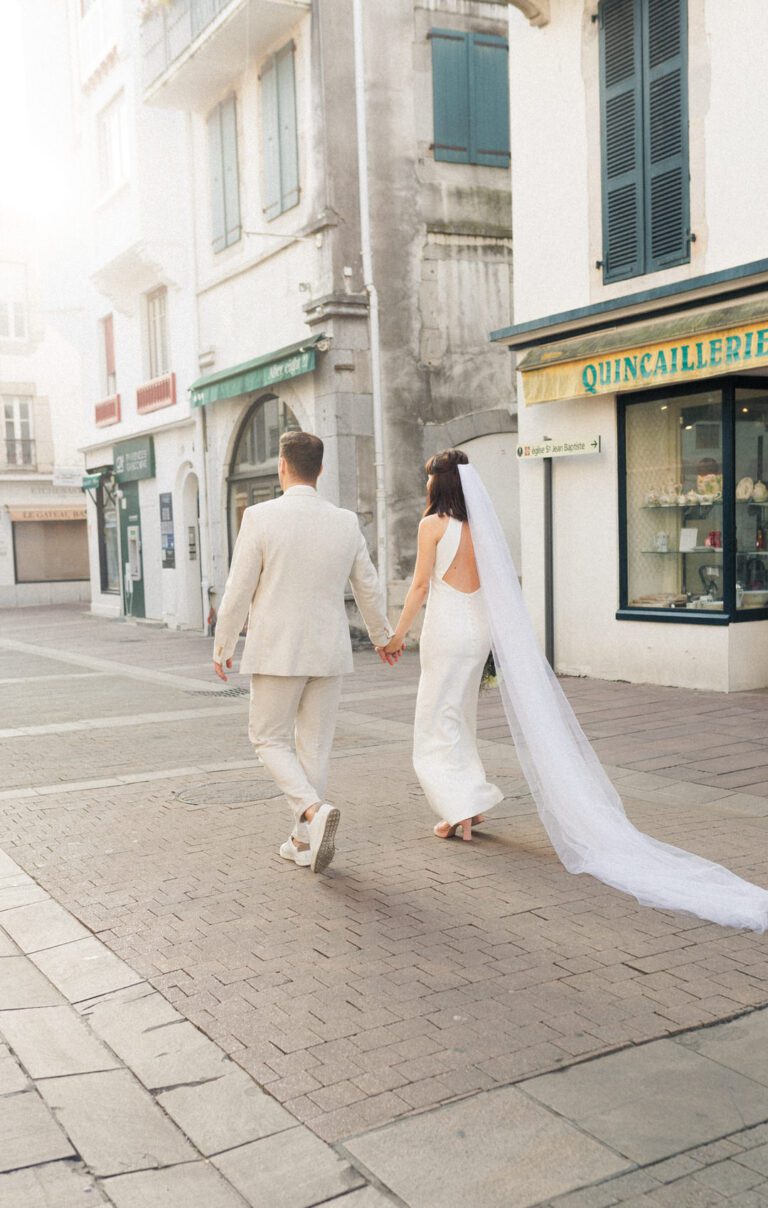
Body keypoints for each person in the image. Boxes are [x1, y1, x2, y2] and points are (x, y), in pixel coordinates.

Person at [212, 430, 397, 874]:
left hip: (278, 650)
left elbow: (239, 588)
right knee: (314, 747)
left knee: (267, 737)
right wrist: (382, 636)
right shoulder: (344, 521)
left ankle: (312, 812)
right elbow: (367, 586)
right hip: (328, 650)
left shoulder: (259, 517)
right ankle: (301, 840)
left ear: (281, 466)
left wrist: (223, 644)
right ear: (321, 469)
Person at [382, 449, 503, 841]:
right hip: (478, 630)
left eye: (428, 477)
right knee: (461, 714)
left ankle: (459, 810)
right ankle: (472, 802)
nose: (426, 483)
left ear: (438, 482)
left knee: (437, 720)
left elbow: (419, 586)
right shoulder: (482, 525)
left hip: (447, 630)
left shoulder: (432, 525)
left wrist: (397, 635)